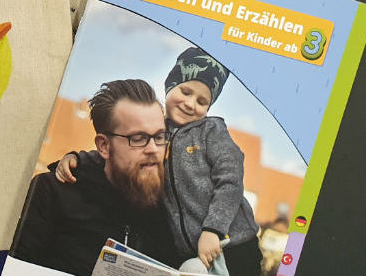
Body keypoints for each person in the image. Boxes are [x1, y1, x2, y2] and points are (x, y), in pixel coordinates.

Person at [57, 47, 262, 274]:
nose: (190, 104)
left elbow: (231, 181)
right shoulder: (158, 130)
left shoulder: (211, 131)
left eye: (202, 101)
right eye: (185, 91)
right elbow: (122, 151)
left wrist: (213, 230)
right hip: (193, 252)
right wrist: (78, 159)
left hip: (233, 243)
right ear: (170, 85)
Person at [8, 79, 181, 275]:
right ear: (104, 146)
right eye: (138, 139)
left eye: (159, 137)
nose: (153, 149)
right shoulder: (51, 191)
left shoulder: (172, 205)